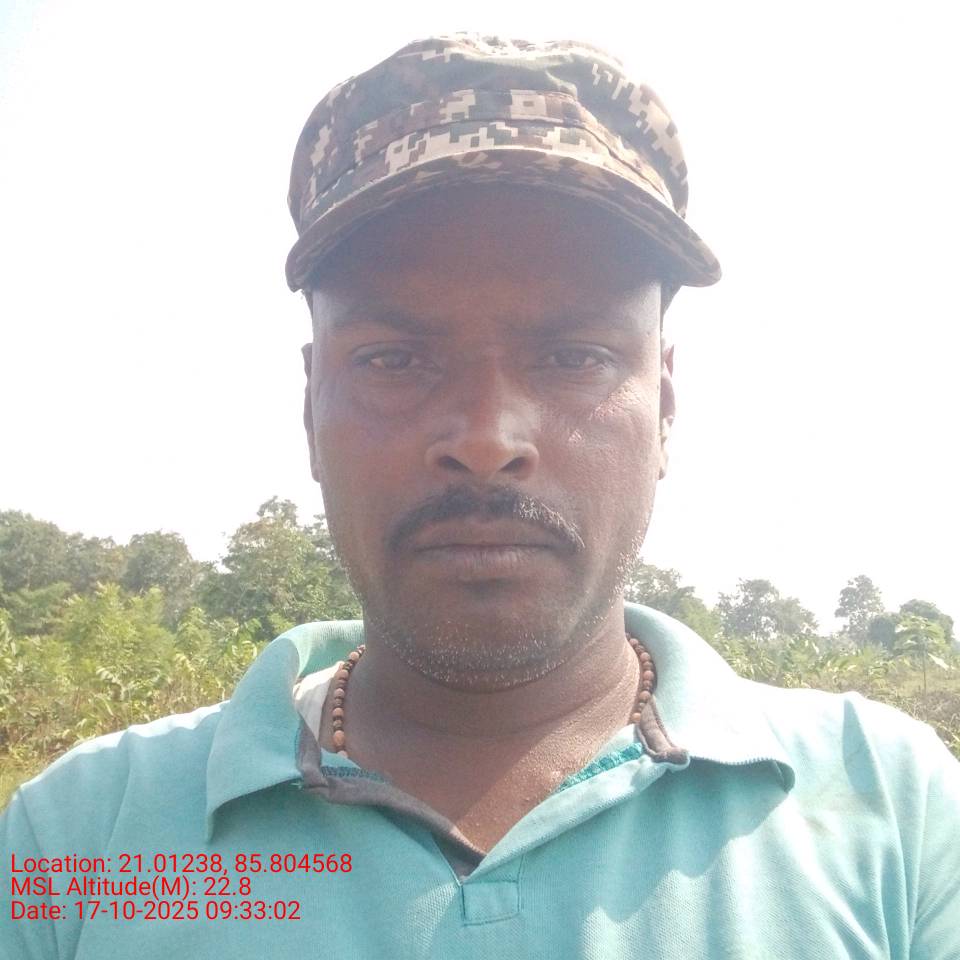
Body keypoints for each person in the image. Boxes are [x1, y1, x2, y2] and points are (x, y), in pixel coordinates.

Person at [2, 33, 958, 960]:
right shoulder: (79, 842)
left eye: (574, 357)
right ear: (310, 407)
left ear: (664, 409)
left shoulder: (896, 814)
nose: (487, 440)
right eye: (395, 359)